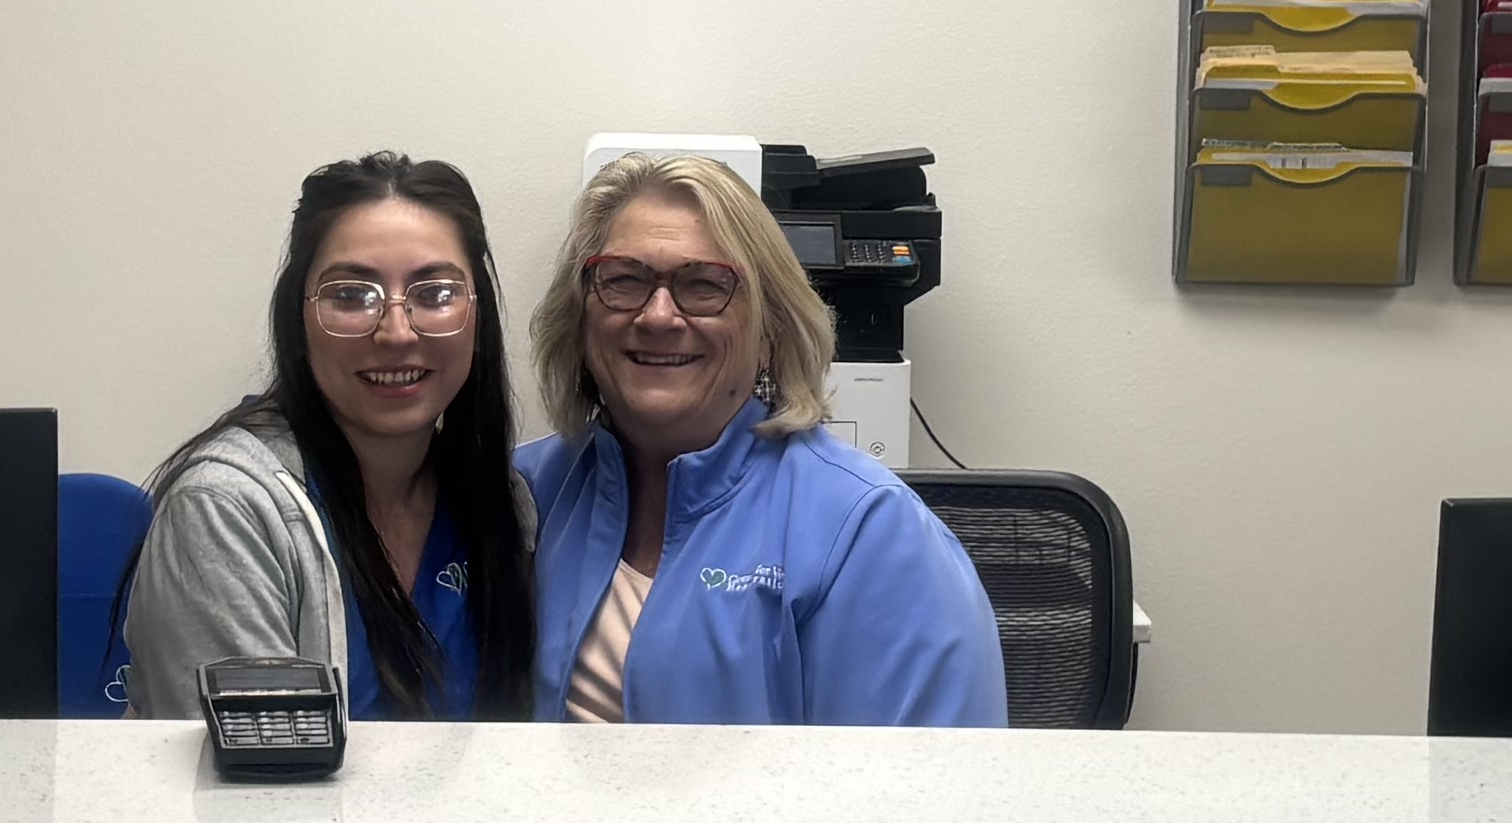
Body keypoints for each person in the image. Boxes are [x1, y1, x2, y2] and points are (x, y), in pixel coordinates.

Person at [521, 152, 1006, 726]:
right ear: (580, 318)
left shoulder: (871, 533)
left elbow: (925, 795)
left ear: (769, 334)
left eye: (705, 285)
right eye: (623, 280)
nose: (657, 316)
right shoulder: (529, 493)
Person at [120, 152, 539, 721]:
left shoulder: (502, 502)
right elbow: (254, 794)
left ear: (477, 316)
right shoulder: (228, 510)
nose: (395, 331)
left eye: (435, 293)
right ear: (299, 318)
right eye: (350, 295)